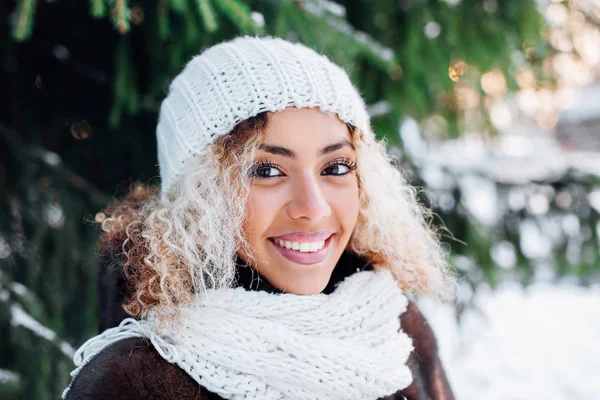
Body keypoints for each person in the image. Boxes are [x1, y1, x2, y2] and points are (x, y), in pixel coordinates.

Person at [62, 36, 456, 400]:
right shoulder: (137, 383)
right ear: (200, 198)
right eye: (266, 171)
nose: (313, 207)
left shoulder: (393, 330)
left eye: (336, 166)